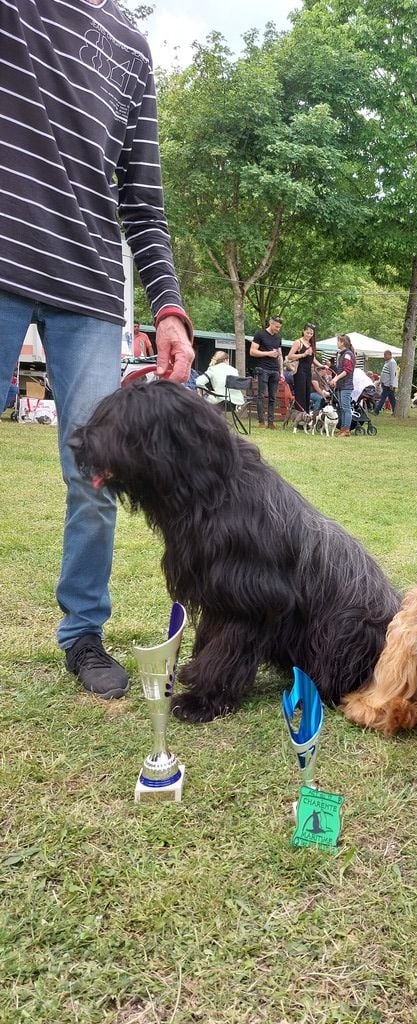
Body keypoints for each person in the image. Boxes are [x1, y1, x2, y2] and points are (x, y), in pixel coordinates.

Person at [0, 0, 195, 700]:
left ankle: (83, 632)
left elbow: (141, 201)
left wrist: (168, 307)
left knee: (98, 477)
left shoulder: (131, 47)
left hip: (89, 290)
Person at [249, 315, 283, 428]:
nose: (278, 329)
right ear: (271, 323)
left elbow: (280, 355)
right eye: (276, 326)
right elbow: (252, 351)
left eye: (279, 327)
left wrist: (281, 371)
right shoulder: (260, 334)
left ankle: (271, 422)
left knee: (273, 397)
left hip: (275, 370)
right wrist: (267, 353)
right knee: (261, 395)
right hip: (263, 368)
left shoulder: (278, 338)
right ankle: (261, 421)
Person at [286, 323, 317, 412]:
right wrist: (304, 354)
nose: (309, 335)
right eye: (307, 333)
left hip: (308, 371)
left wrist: (322, 366)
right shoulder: (298, 342)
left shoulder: (311, 344)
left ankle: (306, 416)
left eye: (311, 334)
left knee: (307, 393)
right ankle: (300, 417)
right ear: (303, 331)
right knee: (301, 393)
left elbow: (313, 358)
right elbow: (290, 356)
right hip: (300, 370)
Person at [331, 335, 356, 437]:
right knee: (342, 407)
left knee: (346, 408)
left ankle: (346, 429)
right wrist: (335, 379)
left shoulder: (347, 355)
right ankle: (343, 428)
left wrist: (336, 378)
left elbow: (347, 370)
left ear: (342, 343)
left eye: (338, 341)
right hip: (342, 385)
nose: (337, 343)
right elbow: (341, 370)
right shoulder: (342, 354)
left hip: (346, 385)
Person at [374, 350, 399, 414]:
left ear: (390, 355)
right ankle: (395, 411)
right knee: (392, 398)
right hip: (385, 383)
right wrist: (380, 381)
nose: (384, 356)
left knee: (383, 397)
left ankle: (376, 411)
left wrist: (391, 384)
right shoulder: (387, 362)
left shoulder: (392, 362)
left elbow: (393, 374)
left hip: (388, 384)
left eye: (385, 355)